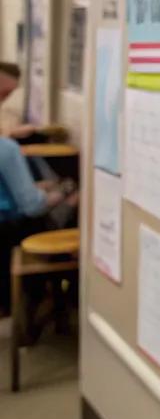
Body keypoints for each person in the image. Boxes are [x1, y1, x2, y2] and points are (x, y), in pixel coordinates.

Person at [0, 62, 77, 314]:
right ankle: (57, 298)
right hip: (11, 229)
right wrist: (64, 191)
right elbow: (33, 206)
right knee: (74, 205)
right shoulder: (8, 150)